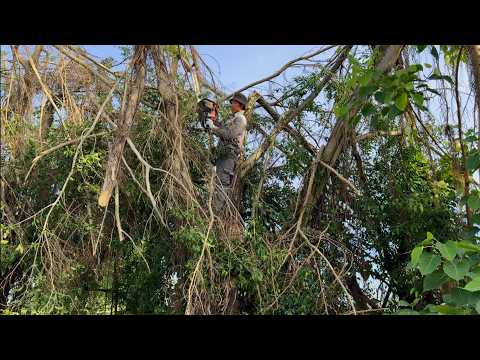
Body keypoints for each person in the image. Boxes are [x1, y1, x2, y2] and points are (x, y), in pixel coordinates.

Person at [205, 92, 248, 212]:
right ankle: (212, 208)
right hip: (222, 153)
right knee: (216, 181)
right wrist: (214, 120)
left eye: (233, 102)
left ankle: (216, 211)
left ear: (239, 105)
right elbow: (222, 128)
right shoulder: (232, 118)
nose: (232, 104)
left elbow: (229, 134)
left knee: (222, 183)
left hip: (229, 155)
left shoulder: (241, 119)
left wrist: (213, 128)